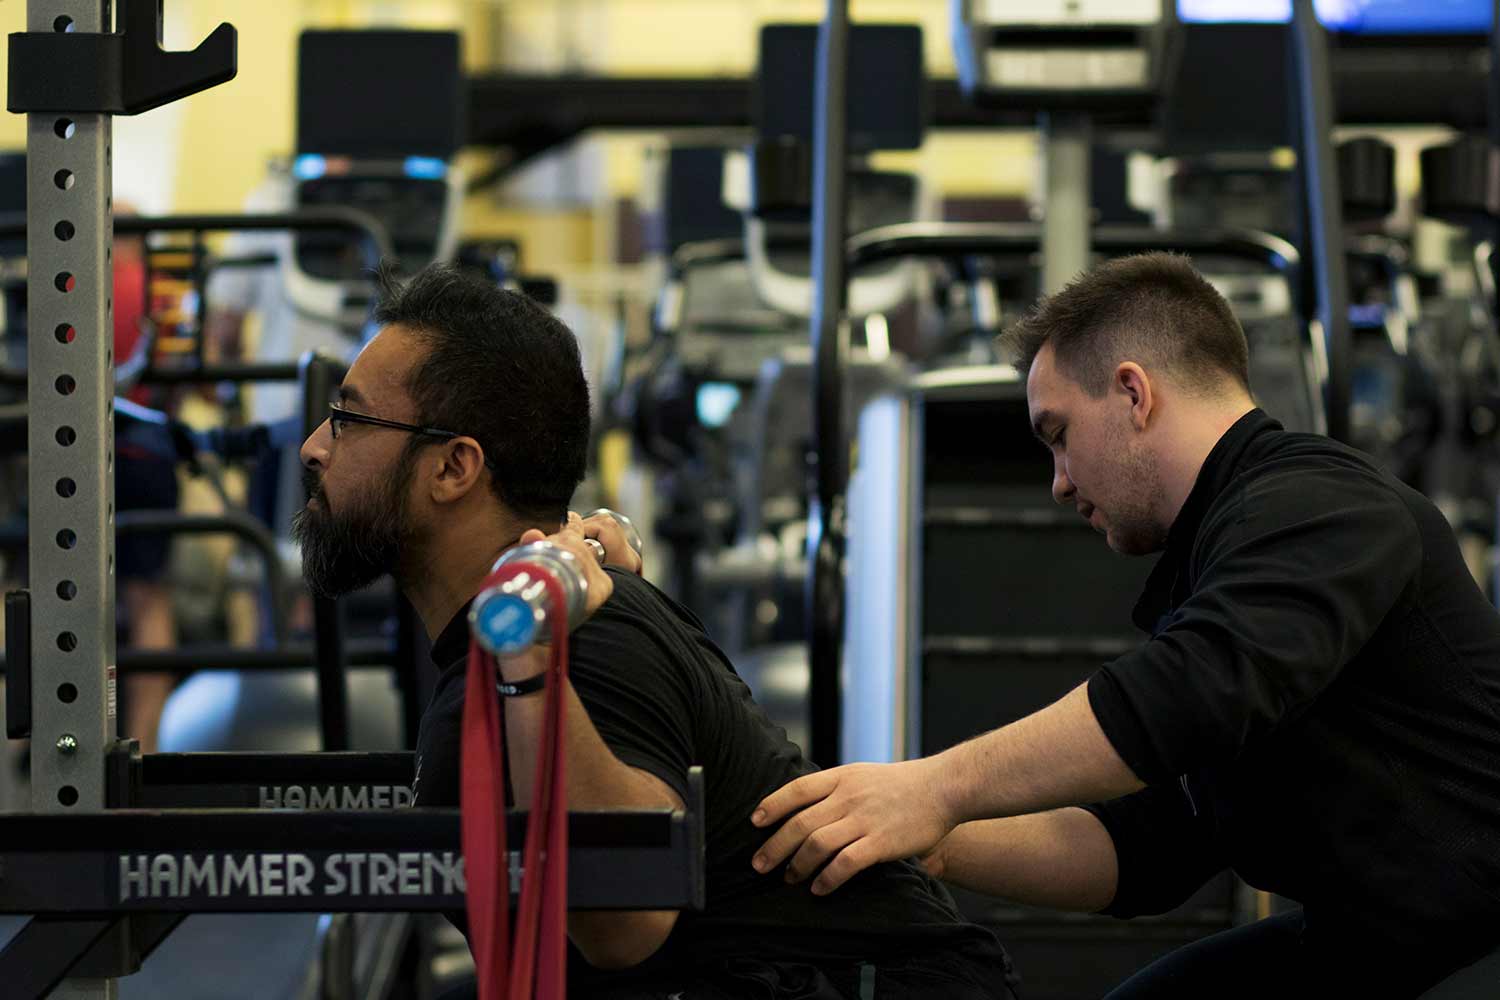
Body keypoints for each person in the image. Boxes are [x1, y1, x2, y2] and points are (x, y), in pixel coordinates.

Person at [750, 252, 1500, 998]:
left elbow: (1186, 693)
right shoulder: (1224, 553)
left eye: (1058, 434)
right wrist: (929, 841)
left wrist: (934, 789)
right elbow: (1144, 850)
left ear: (1134, 393)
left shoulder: (1322, 505)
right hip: (1379, 942)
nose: (1059, 482)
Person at [292, 262, 1018, 999]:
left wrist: (530, 659)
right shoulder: (534, 640)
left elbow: (624, 917)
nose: (314, 446)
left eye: (349, 420)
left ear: (453, 467)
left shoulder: (587, 642)